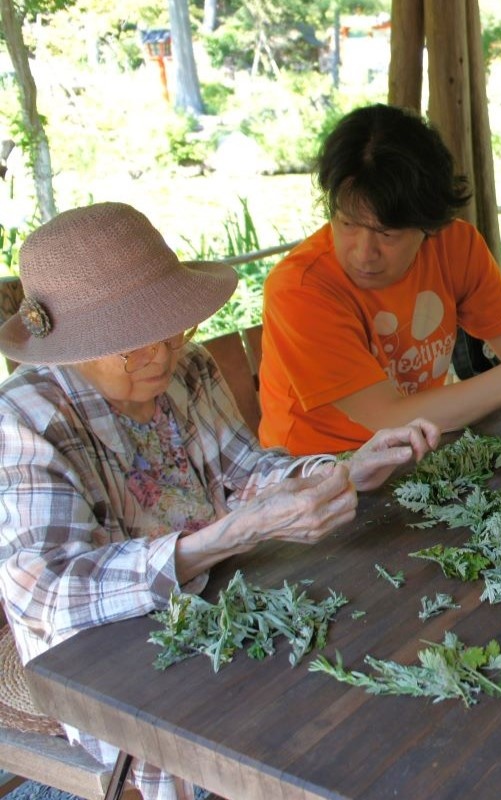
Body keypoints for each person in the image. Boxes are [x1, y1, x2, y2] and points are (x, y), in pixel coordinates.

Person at [0, 201, 440, 800]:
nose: (160, 353)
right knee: (262, 734)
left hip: (219, 590)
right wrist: (229, 536)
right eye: (129, 346)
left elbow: (247, 468)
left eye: (170, 329)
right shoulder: (26, 417)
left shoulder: (186, 369)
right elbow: (53, 591)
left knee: (365, 667)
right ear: (72, 348)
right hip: (103, 654)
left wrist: (345, 469)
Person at [258, 103, 501, 456]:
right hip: (318, 470)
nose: (363, 253)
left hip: (419, 449)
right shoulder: (301, 288)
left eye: (387, 234)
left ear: (428, 225)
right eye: (347, 224)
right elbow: (386, 418)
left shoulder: (455, 245)